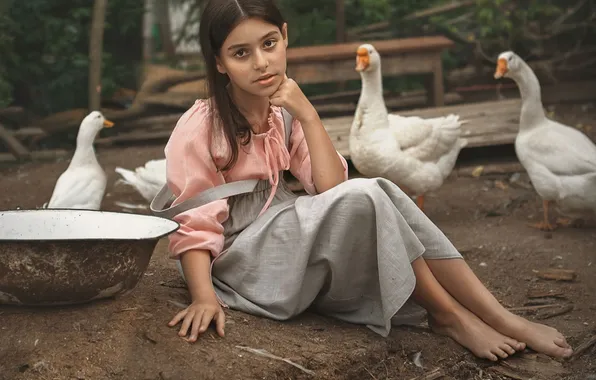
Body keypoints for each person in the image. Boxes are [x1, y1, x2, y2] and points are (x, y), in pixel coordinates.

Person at [162, 0, 573, 361]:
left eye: (269, 44)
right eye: (240, 53)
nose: (261, 62)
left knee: (382, 191)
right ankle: (449, 316)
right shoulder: (202, 126)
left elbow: (329, 189)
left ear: (285, 37)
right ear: (218, 62)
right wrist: (203, 296)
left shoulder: (285, 110)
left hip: (285, 241)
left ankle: (499, 315)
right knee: (369, 191)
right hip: (244, 262)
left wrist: (307, 115)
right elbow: (196, 224)